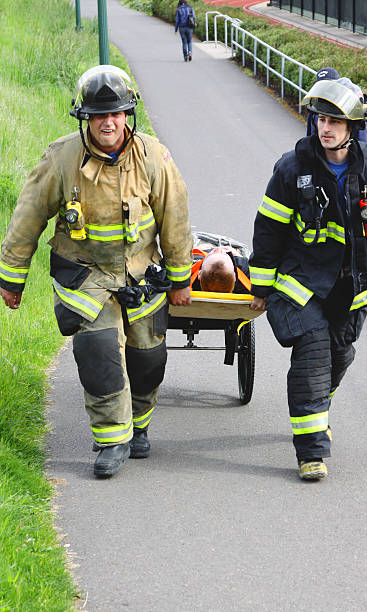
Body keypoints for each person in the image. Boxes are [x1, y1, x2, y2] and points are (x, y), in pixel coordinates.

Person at [0, 65, 193, 479]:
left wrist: (180, 279)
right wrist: (12, 278)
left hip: (142, 274)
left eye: (116, 114)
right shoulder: (61, 158)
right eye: (98, 115)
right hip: (85, 278)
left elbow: (175, 219)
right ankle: (111, 439)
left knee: (148, 359)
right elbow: (27, 218)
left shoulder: (154, 157)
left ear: (128, 115)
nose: (108, 123)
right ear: (84, 117)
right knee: (99, 354)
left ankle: (138, 427)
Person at [249, 77, 367, 480]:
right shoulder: (292, 169)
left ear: (353, 127)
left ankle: (317, 408)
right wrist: (261, 288)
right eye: (320, 119)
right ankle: (311, 453)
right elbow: (268, 230)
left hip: (351, 291)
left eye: (335, 121)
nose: (325, 127)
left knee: (339, 356)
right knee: (313, 353)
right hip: (299, 285)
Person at [306, 68, 367, 144]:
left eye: (334, 121)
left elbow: (363, 144)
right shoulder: (315, 109)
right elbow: (310, 138)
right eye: (322, 120)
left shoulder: (350, 110)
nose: (326, 128)